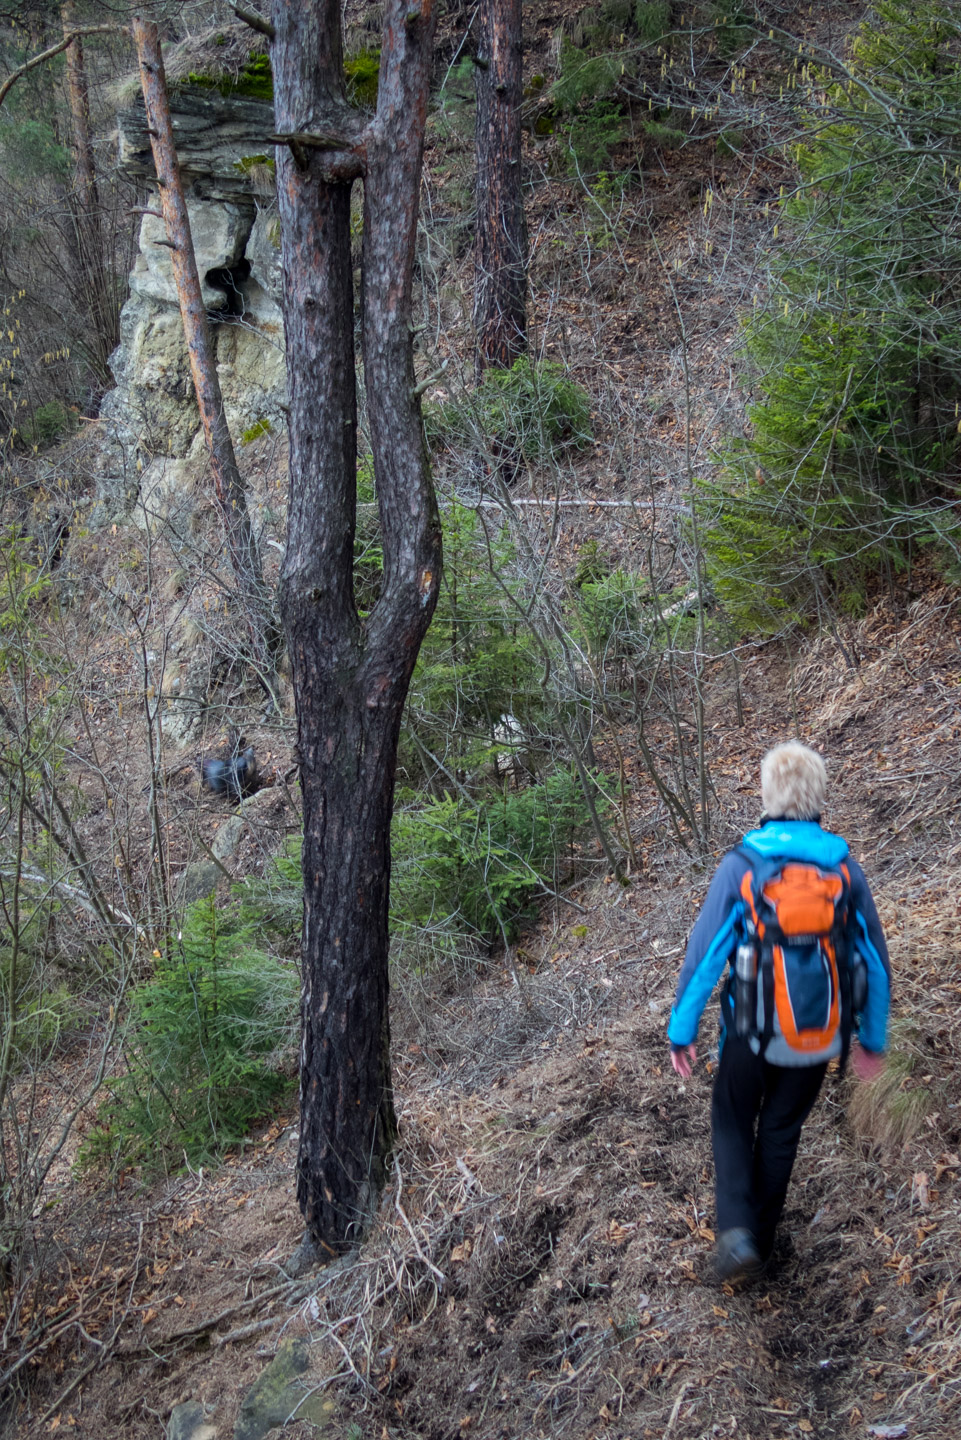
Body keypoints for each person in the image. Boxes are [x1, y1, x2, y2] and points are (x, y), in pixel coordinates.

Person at [667, 742, 890, 1284]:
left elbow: (706, 954)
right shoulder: (844, 871)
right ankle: (761, 1246)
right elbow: (875, 964)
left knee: (731, 1117)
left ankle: (737, 1235)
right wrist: (871, 1039)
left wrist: (682, 1028)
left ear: (767, 796)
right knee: (781, 1132)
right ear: (819, 799)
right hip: (820, 1038)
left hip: (750, 1033)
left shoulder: (744, 866)